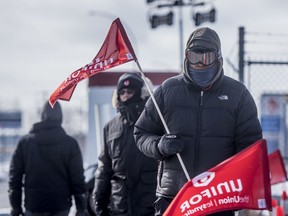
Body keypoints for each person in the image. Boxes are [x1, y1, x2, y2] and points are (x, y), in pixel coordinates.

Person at [134, 27, 263, 216]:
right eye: (194, 57)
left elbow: (251, 147)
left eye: (206, 58)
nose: (200, 65)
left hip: (217, 198)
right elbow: (141, 133)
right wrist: (159, 146)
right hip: (174, 197)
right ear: (186, 57)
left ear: (218, 58)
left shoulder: (238, 95)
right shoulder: (168, 91)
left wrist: (236, 181)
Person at [92, 73, 158, 216]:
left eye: (130, 91)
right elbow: (105, 168)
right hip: (120, 206)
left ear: (142, 93)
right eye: (122, 92)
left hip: (151, 205)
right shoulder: (110, 127)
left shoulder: (155, 122)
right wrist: (99, 200)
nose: (126, 95)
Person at [8, 101, 87, 216]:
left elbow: (14, 178)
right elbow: (78, 179)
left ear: (42, 116)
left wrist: (15, 207)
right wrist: (81, 209)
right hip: (61, 206)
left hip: (34, 206)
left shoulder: (25, 143)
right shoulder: (70, 144)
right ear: (61, 117)